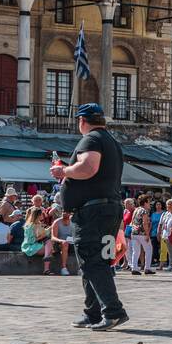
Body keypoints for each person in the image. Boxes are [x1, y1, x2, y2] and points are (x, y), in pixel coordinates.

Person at [51, 104, 128, 330]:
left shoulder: (92, 139)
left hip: (93, 212)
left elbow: (88, 167)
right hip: (107, 209)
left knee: (91, 260)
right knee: (96, 262)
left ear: (82, 121)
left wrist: (63, 171)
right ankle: (93, 313)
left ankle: (113, 311)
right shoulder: (112, 142)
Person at [128, 193, 155, 275]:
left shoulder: (136, 210)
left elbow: (132, 221)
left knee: (135, 251)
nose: (149, 204)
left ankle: (134, 268)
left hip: (134, 233)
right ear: (145, 202)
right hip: (142, 233)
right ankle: (147, 268)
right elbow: (145, 223)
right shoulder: (144, 211)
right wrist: (147, 234)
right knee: (149, 249)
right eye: (149, 202)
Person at [49, 210, 75, 275]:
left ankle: (81, 268)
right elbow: (53, 237)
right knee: (65, 244)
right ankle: (63, 268)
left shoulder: (74, 221)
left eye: (67, 212)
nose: (65, 213)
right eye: (63, 212)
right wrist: (62, 241)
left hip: (72, 242)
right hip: (59, 243)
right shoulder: (57, 222)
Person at [149, 199, 164, 268]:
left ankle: (162, 261)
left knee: (162, 248)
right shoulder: (153, 214)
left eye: (159, 204)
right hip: (153, 233)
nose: (158, 206)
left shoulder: (164, 213)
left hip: (162, 233)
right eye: (157, 204)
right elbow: (151, 224)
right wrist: (149, 232)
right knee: (154, 248)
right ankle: (156, 260)